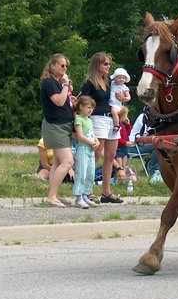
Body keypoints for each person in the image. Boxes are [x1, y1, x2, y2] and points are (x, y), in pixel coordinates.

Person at [80, 52, 124, 203]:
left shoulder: (108, 82)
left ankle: (106, 191)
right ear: (97, 64)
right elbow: (83, 101)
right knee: (96, 155)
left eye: (109, 64)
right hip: (97, 118)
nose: (108, 66)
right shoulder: (90, 82)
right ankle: (88, 189)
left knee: (111, 156)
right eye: (105, 63)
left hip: (111, 119)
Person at [39, 53, 76, 207]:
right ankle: (52, 195)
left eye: (66, 66)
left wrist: (70, 99)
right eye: (61, 65)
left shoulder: (56, 84)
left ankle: (54, 194)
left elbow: (63, 102)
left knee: (57, 162)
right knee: (68, 162)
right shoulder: (49, 83)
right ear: (52, 65)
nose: (64, 68)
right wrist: (66, 85)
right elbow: (59, 102)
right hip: (55, 126)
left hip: (63, 124)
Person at [71, 96, 100, 208]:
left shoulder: (89, 120)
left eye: (92, 108)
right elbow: (80, 136)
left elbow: (92, 133)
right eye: (88, 107)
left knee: (90, 173)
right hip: (83, 148)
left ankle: (85, 194)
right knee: (82, 173)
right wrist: (90, 142)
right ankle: (78, 197)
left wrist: (96, 141)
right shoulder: (79, 119)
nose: (90, 110)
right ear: (81, 107)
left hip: (90, 149)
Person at [128, 110, 162, 181]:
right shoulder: (143, 117)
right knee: (157, 146)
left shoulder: (157, 119)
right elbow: (136, 138)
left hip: (143, 145)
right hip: (133, 146)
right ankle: (154, 171)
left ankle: (160, 170)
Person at [108, 68, 132, 133]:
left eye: (123, 78)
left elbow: (128, 97)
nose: (121, 79)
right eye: (119, 77)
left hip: (116, 104)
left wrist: (123, 98)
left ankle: (116, 125)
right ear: (115, 78)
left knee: (114, 111)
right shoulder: (112, 83)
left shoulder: (124, 87)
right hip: (109, 102)